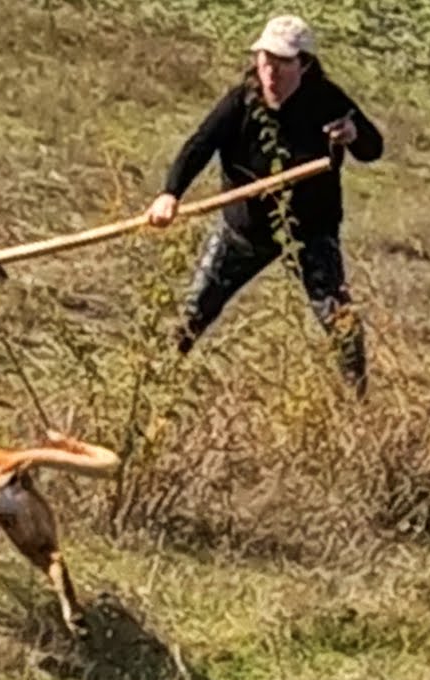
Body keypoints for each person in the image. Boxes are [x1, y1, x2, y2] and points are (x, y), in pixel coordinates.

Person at [146, 15, 383, 399]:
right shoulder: (242, 100)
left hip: (310, 232)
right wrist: (170, 194)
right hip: (245, 231)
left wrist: (354, 136)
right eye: (265, 59)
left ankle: (359, 402)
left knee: (340, 322)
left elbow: (373, 148)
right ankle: (153, 389)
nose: (271, 71)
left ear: (303, 65)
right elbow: (199, 145)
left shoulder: (327, 100)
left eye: (283, 62)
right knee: (194, 312)